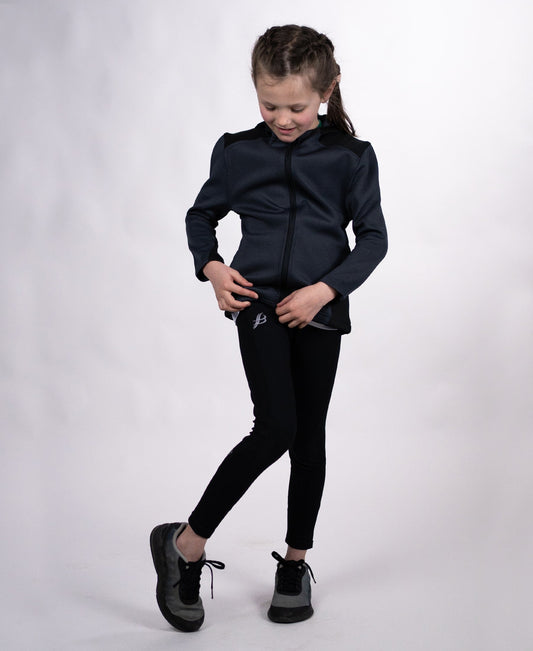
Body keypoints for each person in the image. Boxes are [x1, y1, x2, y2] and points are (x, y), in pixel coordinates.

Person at [150, 24, 388, 633]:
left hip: (320, 311)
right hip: (257, 303)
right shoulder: (237, 152)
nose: (283, 119)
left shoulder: (351, 158)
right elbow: (201, 215)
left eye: (297, 107)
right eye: (269, 105)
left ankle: (294, 564)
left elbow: (374, 239)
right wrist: (211, 267)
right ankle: (185, 543)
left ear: (328, 92)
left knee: (309, 439)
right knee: (277, 426)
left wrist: (325, 290)